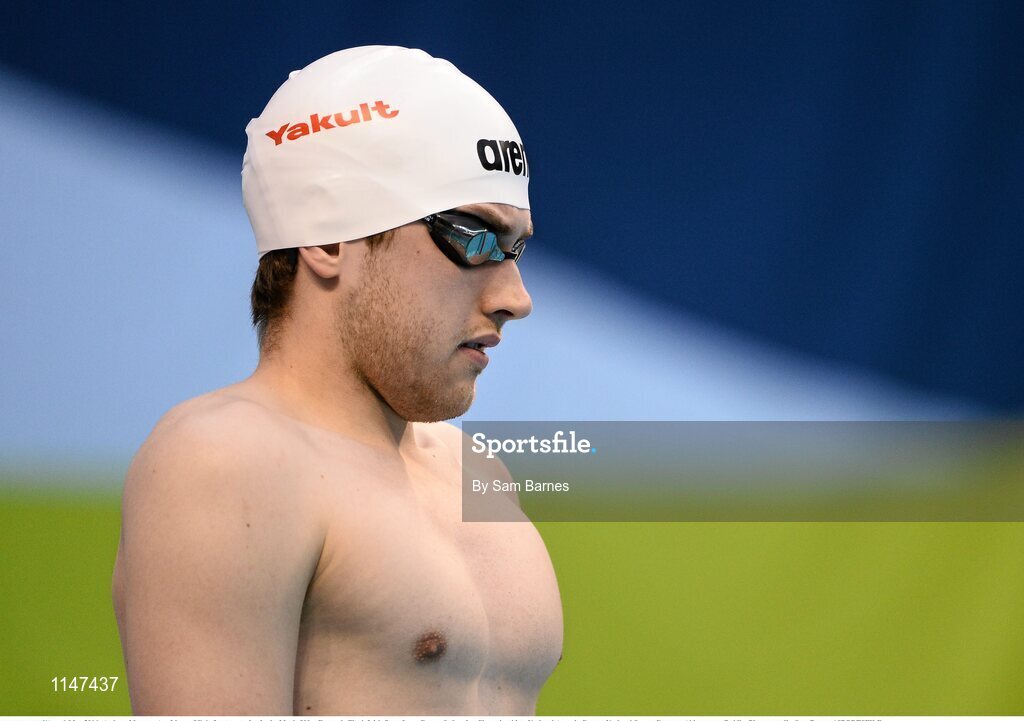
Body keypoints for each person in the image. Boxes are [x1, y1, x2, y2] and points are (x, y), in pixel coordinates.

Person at [111, 46, 563, 715]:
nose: (515, 297)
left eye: (516, 247)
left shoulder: (480, 474)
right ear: (326, 238)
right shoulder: (226, 461)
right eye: (473, 237)